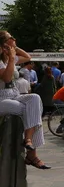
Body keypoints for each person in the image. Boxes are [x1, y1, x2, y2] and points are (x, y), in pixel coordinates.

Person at [0, 31, 49, 169]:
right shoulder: (2, 61)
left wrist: (14, 48)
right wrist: (10, 57)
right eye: (11, 38)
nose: (14, 39)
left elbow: (28, 56)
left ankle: (28, 140)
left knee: (35, 98)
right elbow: (7, 78)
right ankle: (32, 154)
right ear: (3, 43)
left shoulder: (11, 57)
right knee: (27, 109)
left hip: (13, 94)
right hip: (1, 97)